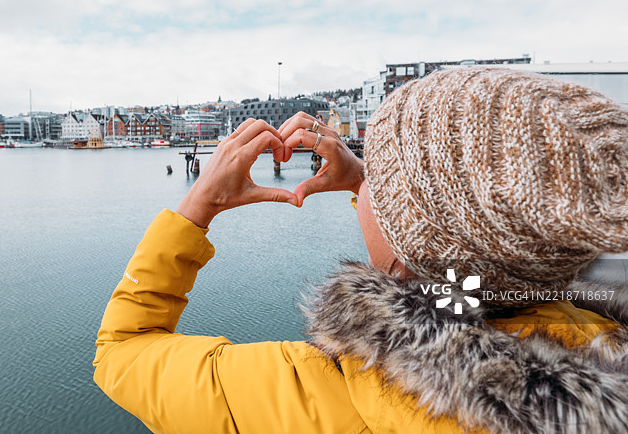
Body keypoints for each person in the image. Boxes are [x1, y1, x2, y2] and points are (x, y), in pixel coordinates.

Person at [94, 68, 628, 434]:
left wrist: (197, 206)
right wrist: (367, 185)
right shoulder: (605, 347)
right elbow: (441, 249)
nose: (368, 184)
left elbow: (121, 352)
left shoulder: (321, 392)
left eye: (383, 182)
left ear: (404, 243)